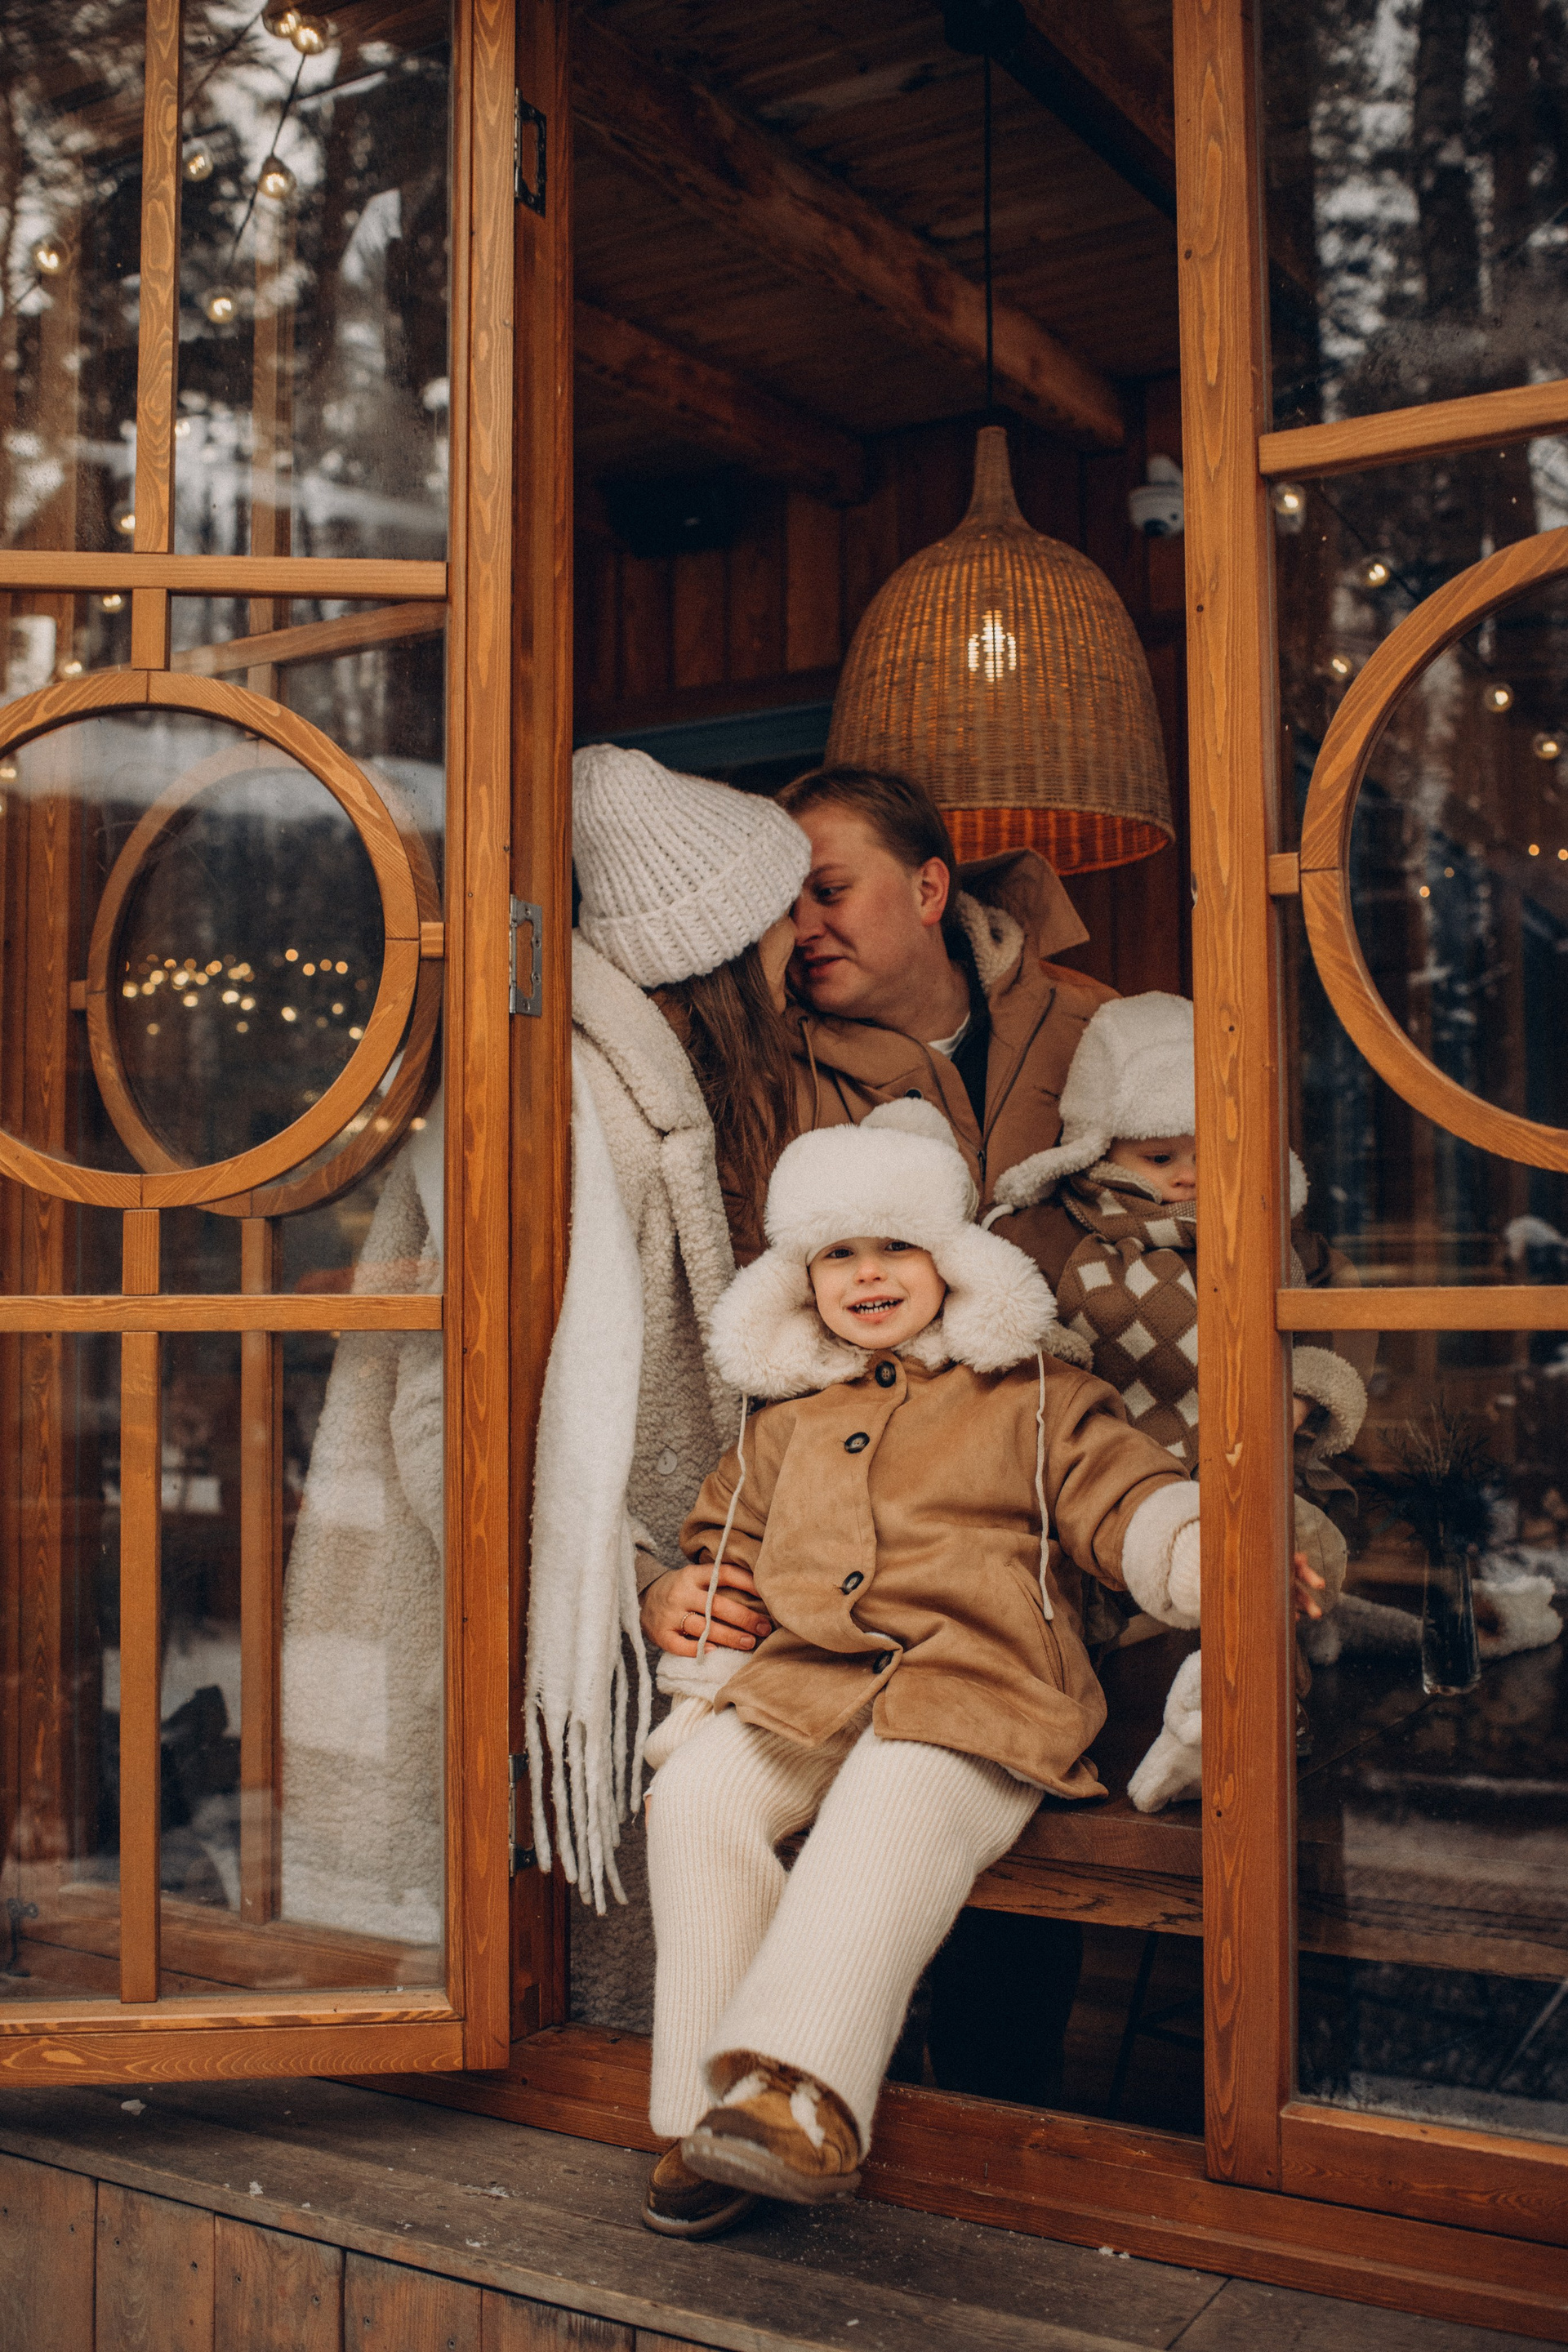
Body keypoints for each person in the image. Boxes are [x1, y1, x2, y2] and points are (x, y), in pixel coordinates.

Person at [636, 1101, 1207, 2238]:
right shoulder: (785, 1423)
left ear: (952, 1258)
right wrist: (689, 1588)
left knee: (888, 1806)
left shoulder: (1035, 1398)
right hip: (808, 1682)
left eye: (895, 1245)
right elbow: (726, 1538)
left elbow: (1123, 1495)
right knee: (696, 1797)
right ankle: (711, 2114)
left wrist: (1193, 1548)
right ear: (802, 1280)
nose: (867, 1273)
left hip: (979, 1690)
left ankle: (804, 2100)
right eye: (837, 1253)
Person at [768, 760, 1113, 2094]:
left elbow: (1223, 1209)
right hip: (878, 1529)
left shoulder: (1093, 1027)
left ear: (928, 889)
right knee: (866, 1830)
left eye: (828, 890)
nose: (804, 926)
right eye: (785, 904)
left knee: (1043, 1857)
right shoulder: (776, 1073)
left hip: (1081, 1496)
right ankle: (828, 2094)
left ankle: (997, 2124)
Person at [524, 745, 810, 2021]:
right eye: (781, 911)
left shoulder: (671, 1100)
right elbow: (459, 1413)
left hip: (698, 1600)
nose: (801, 935)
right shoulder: (579, 1120)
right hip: (640, 1620)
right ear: (723, 949)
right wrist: (639, 1582)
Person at [983, 992, 1373, 1807]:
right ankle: (1089, 1729)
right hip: (1108, 1470)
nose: (1188, 1176)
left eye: (1206, 1154)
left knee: (1262, 1583)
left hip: (1241, 1457)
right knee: (1086, 1613)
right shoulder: (1056, 1232)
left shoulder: (1274, 1237)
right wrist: (1048, 1361)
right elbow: (997, 1309)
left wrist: (1304, 1392)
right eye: (1160, 1157)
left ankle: (1249, 1721)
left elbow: (1340, 1317)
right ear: (1100, 1147)